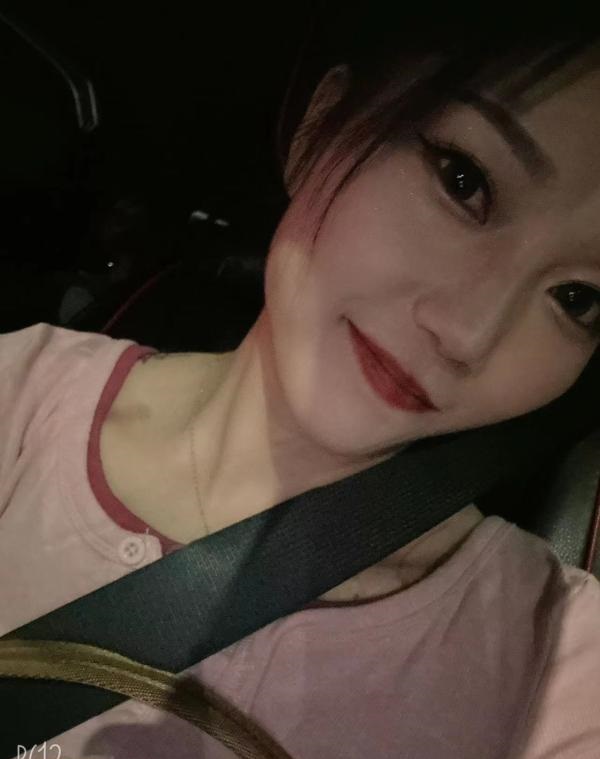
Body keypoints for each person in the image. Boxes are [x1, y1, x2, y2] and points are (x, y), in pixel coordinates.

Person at [2, 17, 600, 759]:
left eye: (578, 299)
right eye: (463, 181)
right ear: (322, 126)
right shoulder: (18, 401)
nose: (469, 334)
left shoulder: (554, 661)